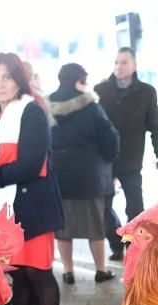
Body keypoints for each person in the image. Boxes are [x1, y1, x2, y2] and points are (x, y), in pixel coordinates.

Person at [0, 52, 64, 305]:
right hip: (2, 210)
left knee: (38, 273)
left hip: (32, 208)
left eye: (6, 78)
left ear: (19, 80)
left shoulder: (32, 110)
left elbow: (32, 164)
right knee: (18, 273)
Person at [49, 63, 120, 285]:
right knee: (95, 226)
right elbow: (110, 138)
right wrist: (107, 160)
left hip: (59, 174)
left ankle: (68, 271)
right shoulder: (90, 106)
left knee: (63, 227)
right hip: (89, 176)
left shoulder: (44, 106)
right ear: (79, 80)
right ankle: (100, 270)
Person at [94, 48, 158, 260]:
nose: (119, 66)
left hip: (131, 159)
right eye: (116, 62)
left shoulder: (146, 92)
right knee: (103, 206)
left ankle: (133, 248)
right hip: (104, 159)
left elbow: (155, 126)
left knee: (135, 207)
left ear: (134, 65)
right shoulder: (101, 90)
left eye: (124, 62)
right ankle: (117, 242)